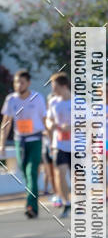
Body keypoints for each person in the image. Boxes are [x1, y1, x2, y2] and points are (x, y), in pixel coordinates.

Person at [0, 70, 47, 218]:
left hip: (35, 139)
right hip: (19, 141)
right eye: (16, 82)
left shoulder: (37, 98)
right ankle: (33, 205)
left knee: (31, 172)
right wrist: (1, 144)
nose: (18, 85)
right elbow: (6, 123)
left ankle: (30, 206)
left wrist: (50, 139)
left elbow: (45, 120)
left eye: (21, 82)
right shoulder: (11, 100)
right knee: (26, 175)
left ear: (28, 83)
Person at [46, 72, 72, 218]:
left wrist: (71, 127)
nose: (53, 90)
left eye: (55, 87)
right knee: (60, 173)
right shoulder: (53, 102)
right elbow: (48, 120)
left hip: (76, 145)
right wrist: (51, 125)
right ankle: (66, 202)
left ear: (64, 86)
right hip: (59, 144)